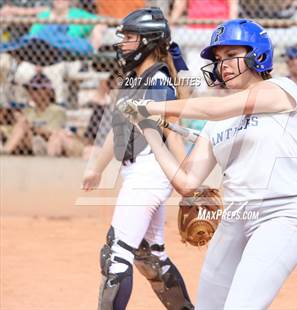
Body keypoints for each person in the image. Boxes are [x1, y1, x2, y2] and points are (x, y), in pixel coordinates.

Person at [118, 19, 297, 309]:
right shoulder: (217, 123)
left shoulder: (281, 89)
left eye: (231, 55)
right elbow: (186, 183)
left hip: (282, 214)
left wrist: (151, 106)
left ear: (257, 55)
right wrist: (149, 129)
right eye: (219, 59)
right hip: (235, 218)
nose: (222, 64)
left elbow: (214, 108)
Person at [82, 8, 193, 310]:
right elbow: (119, 130)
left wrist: (191, 184)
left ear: (148, 41)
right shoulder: (136, 79)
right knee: (150, 256)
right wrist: (96, 168)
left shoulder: (157, 81)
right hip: (141, 173)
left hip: (149, 173)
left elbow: (172, 131)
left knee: (116, 256)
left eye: (130, 37)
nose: (123, 43)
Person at [0, 73, 66, 156]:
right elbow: (15, 130)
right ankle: (5, 152)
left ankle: (5, 152)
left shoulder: (57, 110)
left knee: (30, 132)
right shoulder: (28, 111)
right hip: (28, 142)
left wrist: (33, 128)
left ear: (47, 91)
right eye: (30, 89)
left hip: (47, 143)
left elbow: (53, 133)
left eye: (35, 89)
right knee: (21, 123)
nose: (31, 92)